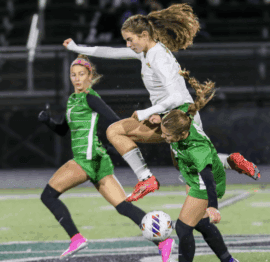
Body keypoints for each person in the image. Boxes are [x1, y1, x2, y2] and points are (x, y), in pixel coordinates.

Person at [63, 3, 260, 201]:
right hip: (174, 116)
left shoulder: (158, 58)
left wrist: (146, 112)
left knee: (115, 131)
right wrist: (76, 48)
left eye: (130, 40)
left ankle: (147, 178)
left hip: (178, 117)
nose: (128, 45)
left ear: (144, 35)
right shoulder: (147, 51)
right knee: (185, 162)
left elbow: (175, 97)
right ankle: (231, 161)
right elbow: (111, 52)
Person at [38, 54, 174, 262]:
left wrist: (134, 130)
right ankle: (163, 242)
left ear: (90, 76)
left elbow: (114, 122)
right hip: (99, 159)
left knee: (48, 196)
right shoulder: (73, 100)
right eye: (73, 75)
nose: (77, 78)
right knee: (123, 207)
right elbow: (64, 129)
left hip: (87, 159)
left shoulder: (91, 98)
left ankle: (76, 238)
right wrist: (49, 122)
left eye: (81, 74)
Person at [154, 78, 241, 262]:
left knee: (183, 228)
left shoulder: (196, 149)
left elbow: (208, 179)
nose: (163, 137)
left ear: (182, 135)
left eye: (167, 135)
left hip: (206, 182)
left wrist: (213, 206)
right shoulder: (180, 118)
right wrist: (159, 118)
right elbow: (181, 107)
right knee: (200, 224)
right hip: (195, 178)